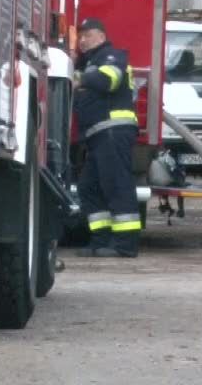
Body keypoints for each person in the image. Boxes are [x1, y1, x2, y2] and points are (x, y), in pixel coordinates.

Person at [72, 18, 141, 258]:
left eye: (87, 35)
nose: (82, 40)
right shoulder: (89, 61)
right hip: (98, 135)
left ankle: (125, 245)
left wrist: (81, 79)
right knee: (88, 188)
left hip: (113, 131)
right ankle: (100, 240)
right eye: (80, 36)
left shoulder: (112, 56)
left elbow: (109, 81)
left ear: (101, 37)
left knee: (117, 186)